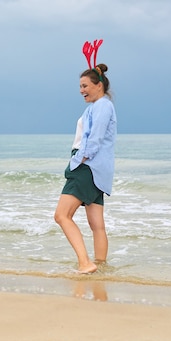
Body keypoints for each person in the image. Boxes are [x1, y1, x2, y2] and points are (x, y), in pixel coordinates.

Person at [54, 41, 117, 274]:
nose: (81, 90)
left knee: (61, 215)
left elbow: (94, 140)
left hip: (87, 167)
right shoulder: (98, 106)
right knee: (97, 225)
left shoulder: (102, 106)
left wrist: (78, 161)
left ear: (98, 85)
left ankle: (85, 263)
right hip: (97, 170)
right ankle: (100, 268)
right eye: (80, 86)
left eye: (85, 86)